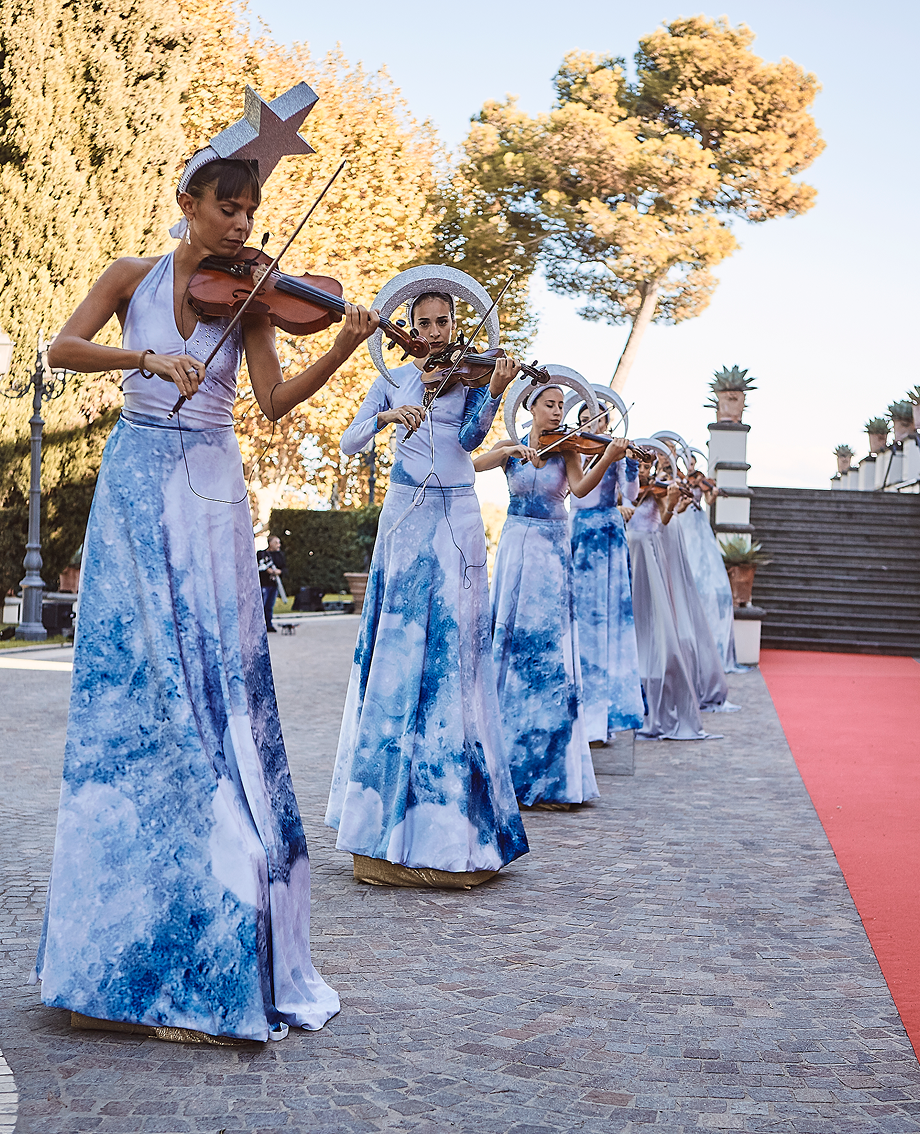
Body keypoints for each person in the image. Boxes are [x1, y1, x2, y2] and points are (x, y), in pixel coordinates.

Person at [34, 123, 378, 1042]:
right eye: (228, 208)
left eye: (251, 211)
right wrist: (143, 359)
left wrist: (342, 348)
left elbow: (269, 405)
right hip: (136, 476)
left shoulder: (255, 300)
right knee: (134, 681)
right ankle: (118, 945)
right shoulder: (129, 275)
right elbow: (60, 351)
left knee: (211, 687)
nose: (242, 227)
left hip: (213, 489)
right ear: (187, 203)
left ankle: (215, 910)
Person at [326, 286, 529, 887]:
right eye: (426, 322)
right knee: (399, 652)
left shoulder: (470, 379)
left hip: (460, 515)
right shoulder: (393, 379)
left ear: (455, 325)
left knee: (456, 657)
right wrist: (388, 417)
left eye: (444, 323)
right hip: (406, 515)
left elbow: (468, 443)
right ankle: (382, 825)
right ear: (409, 324)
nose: (436, 332)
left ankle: (455, 824)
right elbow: (349, 441)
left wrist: (493, 390)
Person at [473, 384, 625, 808]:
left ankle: (552, 770)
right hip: (515, 547)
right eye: (550, 404)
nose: (558, 411)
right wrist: (507, 453)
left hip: (553, 550)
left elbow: (580, 491)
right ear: (531, 407)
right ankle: (505, 764)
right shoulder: (513, 445)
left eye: (561, 405)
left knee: (548, 649)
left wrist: (608, 457)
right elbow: (473, 465)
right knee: (511, 645)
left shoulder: (570, 451)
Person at [626, 460, 721, 741]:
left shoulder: (660, 488)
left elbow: (666, 519)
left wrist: (672, 501)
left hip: (649, 556)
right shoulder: (625, 486)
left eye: (645, 466)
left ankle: (661, 706)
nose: (641, 471)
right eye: (637, 466)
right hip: (626, 552)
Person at [568, 403, 645, 744]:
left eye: (595, 419)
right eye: (584, 419)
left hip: (605, 538)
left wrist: (629, 462)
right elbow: (574, 489)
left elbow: (630, 496)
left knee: (603, 623)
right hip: (573, 533)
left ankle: (600, 720)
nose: (588, 424)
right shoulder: (569, 446)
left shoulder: (615, 451)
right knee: (575, 623)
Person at [678, 467, 746, 673]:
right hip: (683, 520)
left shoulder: (700, 482)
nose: (691, 470)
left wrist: (713, 494)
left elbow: (708, 502)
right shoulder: (678, 478)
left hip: (698, 520)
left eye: (693, 464)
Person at [258, 535, 286, 631]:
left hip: (274, 585)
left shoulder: (280, 555)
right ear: (270, 543)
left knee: (269, 605)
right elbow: (258, 567)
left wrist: (279, 571)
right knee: (262, 605)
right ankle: (260, 626)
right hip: (264, 584)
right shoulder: (262, 554)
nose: (279, 545)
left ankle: (269, 625)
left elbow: (285, 568)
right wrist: (266, 570)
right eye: (276, 543)